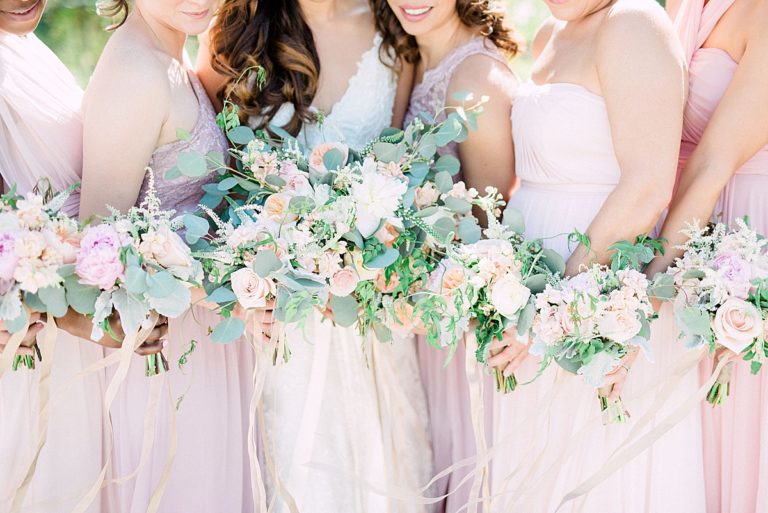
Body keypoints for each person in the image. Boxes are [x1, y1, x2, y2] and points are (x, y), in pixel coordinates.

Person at [197, 1, 432, 511]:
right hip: (269, 314)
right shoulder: (235, 32)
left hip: (367, 309)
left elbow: (394, 174)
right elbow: (211, 174)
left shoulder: (395, 31)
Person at [487, 0, 705, 511]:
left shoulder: (632, 24)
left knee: (594, 474)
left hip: (596, 295)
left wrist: (556, 306)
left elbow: (649, 184)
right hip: (534, 293)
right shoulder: (549, 32)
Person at [80, 1, 254, 511]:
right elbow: (102, 248)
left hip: (203, 340)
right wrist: (220, 286)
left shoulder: (174, 55)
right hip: (167, 360)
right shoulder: (136, 71)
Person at [371, 0, 520, 510]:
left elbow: (490, 223)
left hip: (460, 322)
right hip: (419, 320)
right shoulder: (411, 55)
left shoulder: (474, 77)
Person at [648, 1, 768, 511]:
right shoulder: (681, 7)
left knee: (735, 421)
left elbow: (714, 162)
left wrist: (643, 295)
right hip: (683, 229)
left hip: (742, 233)